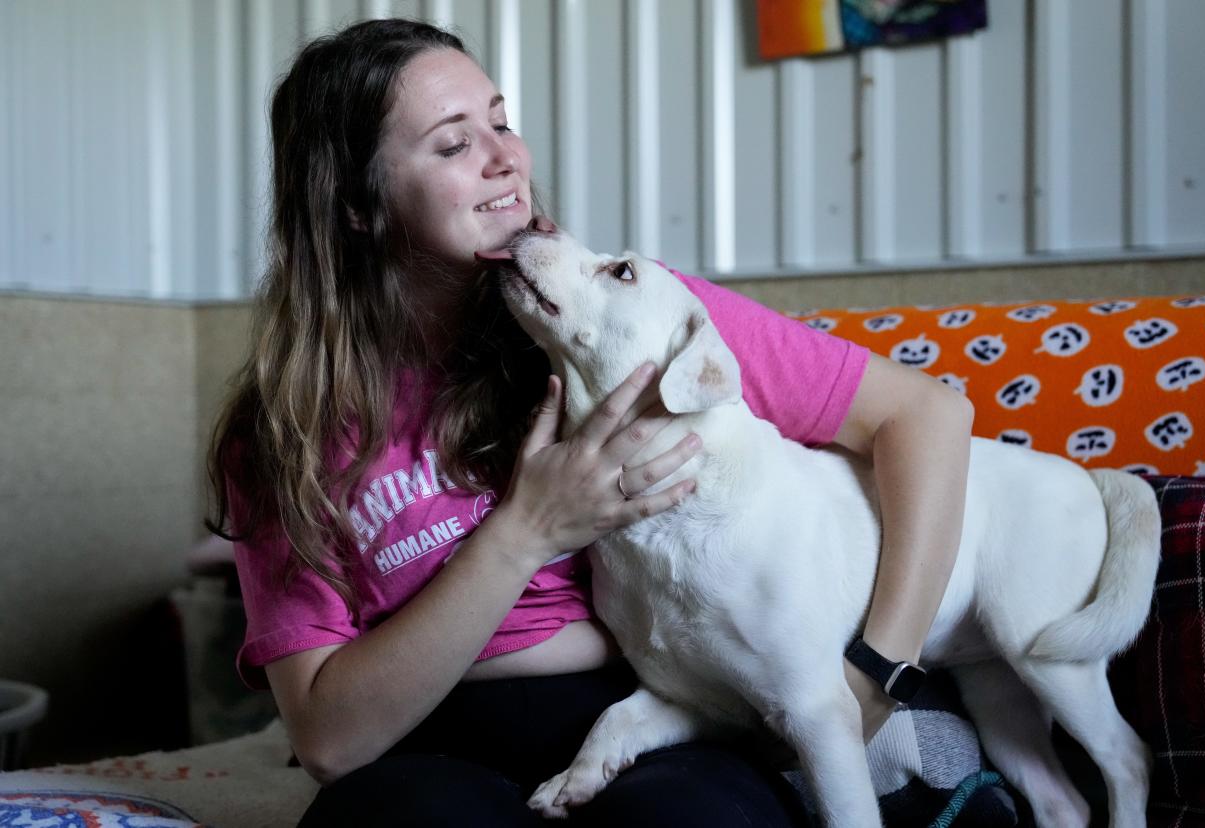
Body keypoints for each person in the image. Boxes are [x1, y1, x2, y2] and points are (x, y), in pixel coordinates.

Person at [207, 18, 974, 827]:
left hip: (654, 721)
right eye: (452, 144)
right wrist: (526, 532)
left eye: (501, 122)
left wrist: (879, 669)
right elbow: (328, 741)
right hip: (425, 749)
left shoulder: (633, 314)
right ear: (356, 204)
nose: (508, 157)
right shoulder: (282, 434)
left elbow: (925, 416)